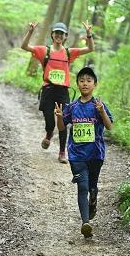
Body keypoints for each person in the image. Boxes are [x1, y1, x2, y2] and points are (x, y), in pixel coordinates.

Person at [21, 21, 94, 164]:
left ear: (66, 36)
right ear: (52, 35)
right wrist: (30, 32)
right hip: (48, 90)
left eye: (62, 33)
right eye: (57, 33)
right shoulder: (44, 50)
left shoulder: (69, 52)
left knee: (63, 122)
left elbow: (90, 48)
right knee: (50, 122)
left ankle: (62, 152)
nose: (59, 36)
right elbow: (24, 46)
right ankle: (49, 133)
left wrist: (88, 34)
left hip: (63, 91)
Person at [55, 67, 113, 238]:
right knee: (82, 187)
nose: (85, 83)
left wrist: (102, 111)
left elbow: (109, 127)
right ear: (77, 84)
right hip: (76, 155)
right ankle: (85, 223)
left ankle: (93, 198)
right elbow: (61, 127)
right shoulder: (72, 107)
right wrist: (59, 116)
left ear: (95, 84)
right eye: (81, 80)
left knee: (92, 187)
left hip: (95, 154)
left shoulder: (98, 106)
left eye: (89, 80)